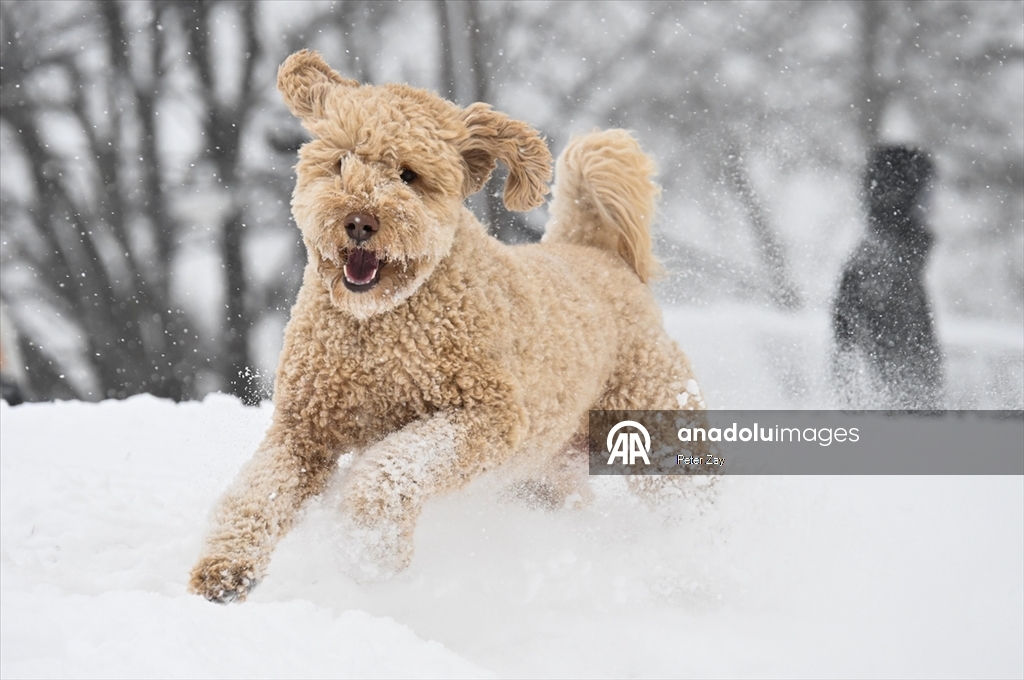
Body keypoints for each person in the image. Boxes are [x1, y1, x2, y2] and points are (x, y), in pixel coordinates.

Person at [831, 145, 944, 409]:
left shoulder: (884, 260)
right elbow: (897, 386)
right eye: (927, 193)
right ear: (905, 197)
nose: (934, 205)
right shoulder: (883, 268)